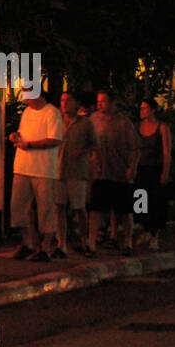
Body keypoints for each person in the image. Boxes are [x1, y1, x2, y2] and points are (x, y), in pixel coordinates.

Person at [9, 89, 64, 261]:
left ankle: (46, 246)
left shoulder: (52, 113)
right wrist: (16, 137)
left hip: (43, 169)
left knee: (45, 208)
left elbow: (54, 139)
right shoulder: (27, 112)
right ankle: (28, 242)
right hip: (22, 167)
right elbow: (23, 132)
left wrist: (30, 144)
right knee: (19, 207)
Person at [87, 89, 140, 257]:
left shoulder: (124, 123)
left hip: (119, 172)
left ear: (112, 103)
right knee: (96, 209)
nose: (100, 104)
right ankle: (91, 242)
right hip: (100, 171)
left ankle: (127, 242)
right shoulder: (94, 119)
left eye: (103, 101)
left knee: (124, 210)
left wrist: (132, 167)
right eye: (98, 101)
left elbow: (135, 147)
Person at [55, 89, 97, 257]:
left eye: (68, 100)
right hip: (58, 171)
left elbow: (95, 144)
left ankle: (84, 241)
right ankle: (61, 243)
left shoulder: (85, 123)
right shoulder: (57, 121)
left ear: (76, 103)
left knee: (79, 208)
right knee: (59, 207)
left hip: (77, 172)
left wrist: (82, 152)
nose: (64, 104)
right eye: (62, 100)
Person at [134, 97, 171, 252]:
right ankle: (145, 229)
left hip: (155, 169)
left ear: (153, 110)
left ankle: (155, 234)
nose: (142, 111)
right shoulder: (137, 127)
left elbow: (166, 152)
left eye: (145, 108)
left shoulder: (161, 128)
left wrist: (165, 172)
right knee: (140, 201)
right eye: (141, 108)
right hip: (141, 169)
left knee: (156, 202)